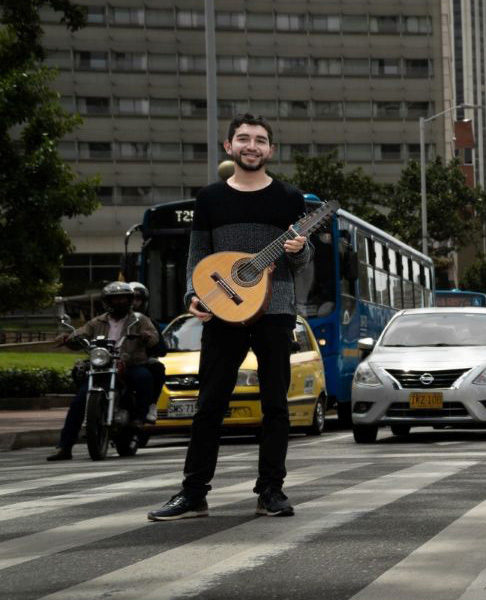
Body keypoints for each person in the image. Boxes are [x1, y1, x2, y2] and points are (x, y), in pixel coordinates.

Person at [148, 114, 312, 521]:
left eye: (259, 140)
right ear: (229, 147)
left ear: (270, 150)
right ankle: (193, 493)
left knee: (275, 404)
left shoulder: (291, 198)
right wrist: (193, 292)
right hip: (221, 311)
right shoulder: (210, 199)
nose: (251, 146)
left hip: (275, 310)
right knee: (209, 404)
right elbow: (198, 256)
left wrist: (299, 249)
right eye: (243, 139)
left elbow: (304, 261)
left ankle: (271, 491)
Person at [47, 282, 160, 461]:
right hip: (103, 367)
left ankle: (139, 417)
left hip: (129, 364)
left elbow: (153, 338)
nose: (119, 301)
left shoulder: (139, 320)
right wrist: (69, 338)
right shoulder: (97, 321)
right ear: (107, 301)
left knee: (144, 377)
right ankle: (64, 446)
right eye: (115, 298)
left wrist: (147, 337)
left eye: (123, 297)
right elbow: (81, 334)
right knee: (78, 401)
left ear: (130, 300)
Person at [128, 281, 167, 424]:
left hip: (139, 362)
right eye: (130, 299)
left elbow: (162, 350)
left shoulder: (148, 322)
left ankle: (151, 405)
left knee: (157, 367)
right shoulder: (111, 319)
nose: (133, 303)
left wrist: (148, 341)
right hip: (115, 362)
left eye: (137, 299)